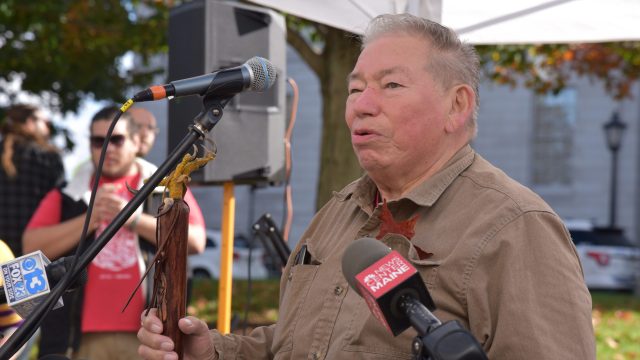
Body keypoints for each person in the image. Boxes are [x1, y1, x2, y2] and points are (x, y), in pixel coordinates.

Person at [138, 14, 595, 360]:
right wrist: (213, 350)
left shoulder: (515, 227)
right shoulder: (340, 210)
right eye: (355, 90)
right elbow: (297, 340)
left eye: (390, 85)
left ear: (458, 106)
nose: (362, 106)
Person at [23, 106, 206, 359]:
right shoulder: (68, 192)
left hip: (149, 335)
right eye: (99, 141)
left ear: (135, 142)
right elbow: (31, 246)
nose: (107, 148)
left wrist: (134, 219)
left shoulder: (164, 186)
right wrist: (91, 219)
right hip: (76, 338)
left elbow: (196, 240)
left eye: (116, 140)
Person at [0, 104, 65, 257]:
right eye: (46, 123)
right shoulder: (48, 157)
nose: (48, 129)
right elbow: (62, 206)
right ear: (30, 122)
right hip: (35, 256)